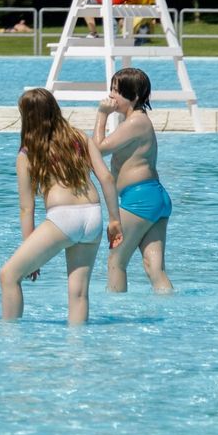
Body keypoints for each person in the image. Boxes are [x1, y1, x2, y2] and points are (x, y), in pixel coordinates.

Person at [0, 88, 122, 325]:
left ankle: (10, 340)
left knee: (9, 275)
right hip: (93, 215)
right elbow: (106, 178)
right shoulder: (79, 138)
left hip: (62, 217)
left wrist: (30, 250)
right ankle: (77, 354)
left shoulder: (28, 153)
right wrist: (115, 220)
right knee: (78, 293)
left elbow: (26, 208)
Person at [94, 68, 173, 293]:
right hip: (154, 198)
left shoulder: (135, 122)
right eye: (111, 89)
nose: (111, 96)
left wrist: (101, 115)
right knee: (153, 268)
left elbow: (98, 148)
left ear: (135, 96)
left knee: (116, 262)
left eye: (117, 91)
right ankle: (170, 311)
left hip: (140, 200)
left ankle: (117, 320)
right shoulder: (137, 121)